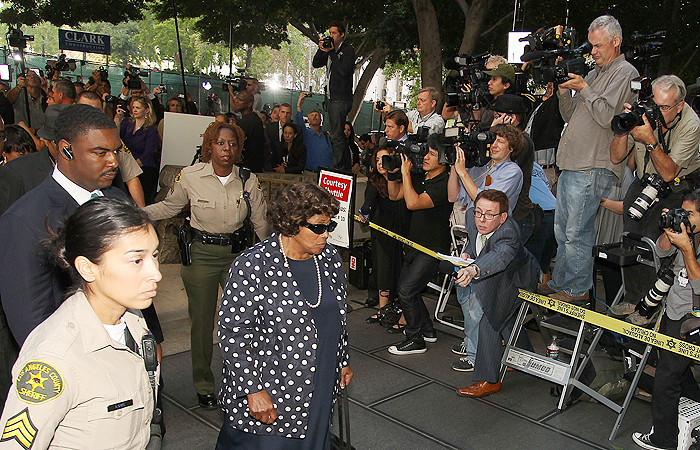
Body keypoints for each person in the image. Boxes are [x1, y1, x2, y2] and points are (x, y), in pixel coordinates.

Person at [0, 197, 159, 450]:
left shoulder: (133, 319)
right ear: (87, 268)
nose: (156, 273)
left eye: (155, 255)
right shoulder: (53, 360)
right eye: (137, 260)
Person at [143, 121, 271, 408]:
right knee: (202, 325)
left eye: (233, 144)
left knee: (246, 320)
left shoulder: (248, 179)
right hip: (201, 255)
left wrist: (276, 259)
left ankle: (246, 381)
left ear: (239, 149)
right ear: (210, 146)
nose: (227, 149)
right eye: (220, 143)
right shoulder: (190, 176)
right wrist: (137, 214)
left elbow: (261, 222)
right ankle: (204, 385)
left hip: (237, 256)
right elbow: (169, 206)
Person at [216, 182, 353, 449]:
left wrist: (342, 359)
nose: (326, 235)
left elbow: (337, 316)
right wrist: (252, 389)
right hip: (271, 385)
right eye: (318, 227)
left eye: (330, 226)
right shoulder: (253, 265)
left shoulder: (330, 259)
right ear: (291, 224)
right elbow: (233, 335)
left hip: (321, 377)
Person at [540, 15, 639, 304]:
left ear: (616, 41)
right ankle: (561, 281)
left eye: (598, 46)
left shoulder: (625, 73)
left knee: (577, 231)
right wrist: (564, 92)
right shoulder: (594, 74)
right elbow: (572, 116)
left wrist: (585, 88)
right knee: (563, 230)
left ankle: (577, 288)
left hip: (594, 165)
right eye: (591, 46)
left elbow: (608, 117)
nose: (592, 52)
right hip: (573, 162)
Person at [609, 75, 700, 322]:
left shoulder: (691, 123)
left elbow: (670, 172)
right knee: (631, 241)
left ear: (680, 106)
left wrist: (649, 140)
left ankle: (649, 308)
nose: (657, 112)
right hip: (643, 182)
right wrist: (624, 128)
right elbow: (616, 157)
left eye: (664, 107)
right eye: (655, 104)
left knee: (653, 246)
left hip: (675, 187)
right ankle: (632, 298)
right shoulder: (645, 114)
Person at [631, 190, 700, 450]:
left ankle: (664, 441)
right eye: (681, 211)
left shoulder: (692, 242)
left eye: (689, 214)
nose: (684, 217)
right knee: (678, 372)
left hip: (691, 320)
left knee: (666, 380)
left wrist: (686, 248)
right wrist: (669, 230)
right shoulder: (686, 232)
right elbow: (660, 252)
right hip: (673, 314)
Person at [453, 190, 539, 397]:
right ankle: (522, 358)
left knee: (491, 318)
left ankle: (489, 380)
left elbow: (499, 256)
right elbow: (477, 244)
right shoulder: (472, 218)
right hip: (495, 274)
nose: (482, 219)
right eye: (479, 212)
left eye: (490, 215)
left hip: (517, 279)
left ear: (503, 217)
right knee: (506, 319)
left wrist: (474, 269)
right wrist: (469, 254)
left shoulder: (510, 233)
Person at [386, 133, 453, 355]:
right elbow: (395, 195)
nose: (425, 157)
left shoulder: (444, 184)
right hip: (414, 245)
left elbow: (413, 203)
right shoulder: (423, 177)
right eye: (426, 152)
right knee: (407, 289)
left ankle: (415, 339)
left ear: (443, 159)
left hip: (432, 249)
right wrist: (392, 174)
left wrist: (406, 173)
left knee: (406, 290)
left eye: (432, 154)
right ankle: (427, 330)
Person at [358, 147, 405, 325]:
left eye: (383, 159)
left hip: (401, 231)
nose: (380, 163)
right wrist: (364, 215)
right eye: (377, 160)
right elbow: (367, 206)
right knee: (383, 268)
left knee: (399, 268)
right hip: (382, 233)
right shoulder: (373, 182)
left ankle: (399, 305)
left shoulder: (402, 179)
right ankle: (382, 308)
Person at [76, 90, 146, 208]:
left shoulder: (112, 141)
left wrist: (142, 212)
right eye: (85, 111)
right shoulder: (66, 139)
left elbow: (131, 177)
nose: (91, 117)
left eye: (96, 111)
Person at [448, 123, 524, 215]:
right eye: (492, 141)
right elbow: (452, 197)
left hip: (495, 227)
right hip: (472, 226)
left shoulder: (512, 171)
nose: (494, 145)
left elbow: (486, 203)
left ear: (511, 147)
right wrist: (454, 164)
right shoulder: (478, 167)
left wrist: (463, 173)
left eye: (500, 141)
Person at [312, 20, 356, 170]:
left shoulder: (348, 51)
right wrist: (322, 49)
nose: (331, 36)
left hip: (341, 99)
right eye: (329, 33)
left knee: (337, 135)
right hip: (331, 98)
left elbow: (344, 71)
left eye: (334, 33)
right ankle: (341, 165)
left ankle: (341, 168)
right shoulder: (330, 51)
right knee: (336, 134)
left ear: (342, 34)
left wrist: (332, 52)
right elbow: (316, 63)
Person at [116, 96, 160, 204]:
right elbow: (116, 138)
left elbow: (147, 155)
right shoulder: (127, 122)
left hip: (144, 169)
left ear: (147, 110)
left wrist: (130, 168)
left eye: (138, 108)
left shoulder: (151, 130)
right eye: (134, 107)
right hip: (126, 166)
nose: (135, 110)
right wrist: (117, 120)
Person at [377, 87, 445, 136]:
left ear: (432, 103)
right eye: (418, 100)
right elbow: (394, 124)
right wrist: (381, 113)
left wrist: (392, 112)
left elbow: (418, 131)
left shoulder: (438, 121)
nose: (418, 103)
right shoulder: (413, 114)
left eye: (422, 100)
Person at [230, 89, 265, 172]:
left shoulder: (248, 122)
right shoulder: (253, 119)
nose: (236, 101)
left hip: (246, 168)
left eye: (240, 100)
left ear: (249, 104)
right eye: (237, 99)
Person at [296, 95, 332, 171]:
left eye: (316, 115)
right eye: (312, 115)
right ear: (308, 120)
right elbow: (300, 123)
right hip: (310, 173)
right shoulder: (306, 134)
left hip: (326, 174)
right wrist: (299, 106)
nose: (314, 117)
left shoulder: (326, 136)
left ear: (321, 120)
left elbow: (330, 154)